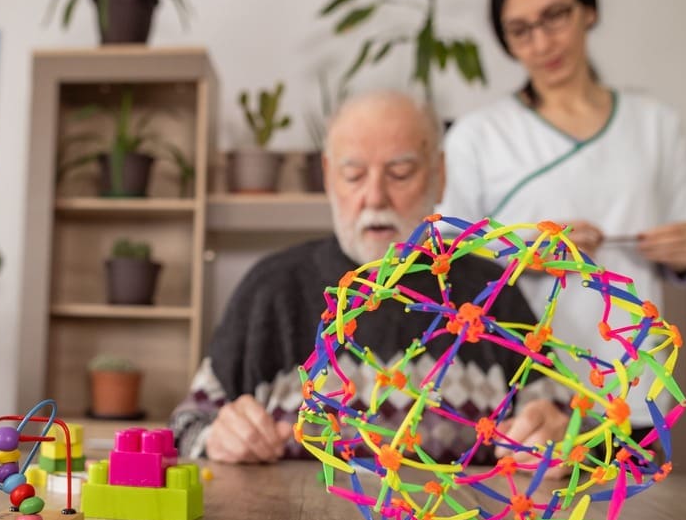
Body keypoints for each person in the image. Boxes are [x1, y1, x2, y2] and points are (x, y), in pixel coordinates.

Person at [169, 90, 568, 467]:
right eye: (354, 175)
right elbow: (187, 425)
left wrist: (555, 432)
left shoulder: (491, 292)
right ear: (327, 177)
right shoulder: (272, 288)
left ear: (439, 175)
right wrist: (219, 437)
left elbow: (568, 425)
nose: (375, 197)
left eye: (400, 173)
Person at [437, 0, 686, 436]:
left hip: (632, 383)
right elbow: (448, 256)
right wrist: (527, 251)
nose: (542, 42)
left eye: (555, 16)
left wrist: (685, 254)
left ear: (588, 10)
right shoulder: (477, 136)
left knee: (637, 513)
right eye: (521, 30)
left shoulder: (655, 124)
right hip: (522, 385)